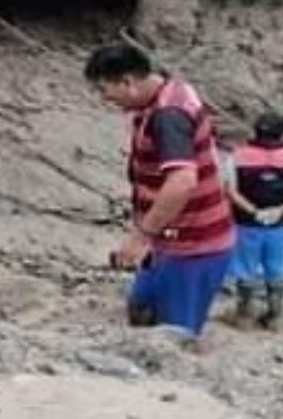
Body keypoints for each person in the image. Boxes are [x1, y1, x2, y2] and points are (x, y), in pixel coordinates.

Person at [84, 43, 236, 337]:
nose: (105, 99)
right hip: (168, 240)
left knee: (174, 335)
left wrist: (141, 236)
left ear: (128, 81)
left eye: (105, 90)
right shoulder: (168, 91)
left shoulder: (168, 115)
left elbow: (181, 182)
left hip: (193, 246)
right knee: (141, 308)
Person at [224, 112, 283, 328]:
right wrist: (279, 210)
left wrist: (253, 210)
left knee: (244, 269)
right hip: (281, 226)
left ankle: (243, 316)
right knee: (277, 270)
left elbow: (230, 191)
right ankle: (275, 316)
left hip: (246, 224)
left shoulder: (237, 156)